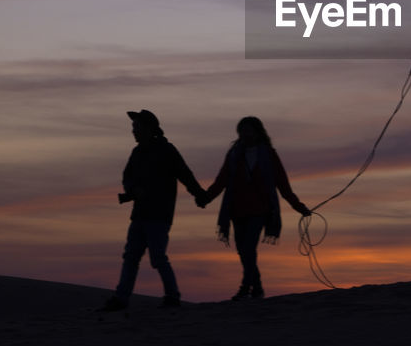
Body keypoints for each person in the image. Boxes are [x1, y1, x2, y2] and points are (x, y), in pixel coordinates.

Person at [101, 109, 207, 311]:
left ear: (149, 128)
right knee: (131, 256)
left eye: (137, 127)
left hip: (159, 213)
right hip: (140, 213)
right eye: (133, 127)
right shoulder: (138, 152)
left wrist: (199, 194)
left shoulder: (167, 150)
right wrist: (132, 190)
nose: (133, 131)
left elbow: (184, 173)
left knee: (157, 257)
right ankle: (121, 299)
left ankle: (172, 296)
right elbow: (127, 177)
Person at [198, 116, 312, 300]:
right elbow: (222, 180)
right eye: (242, 130)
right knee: (243, 250)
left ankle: (246, 287)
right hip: (236, 209)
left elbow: (283, 184)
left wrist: (299, 207)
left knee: (248, 249)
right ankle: (257, 287)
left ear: (258, 132)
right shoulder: (234, 154)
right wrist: (206, 198)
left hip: (260, 210)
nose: (245, 134)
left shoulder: (269, 154)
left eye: (249, 130)